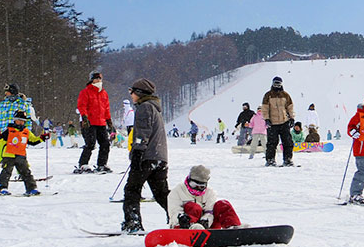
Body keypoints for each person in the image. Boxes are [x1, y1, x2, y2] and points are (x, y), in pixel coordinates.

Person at [121, 78, 170, 233]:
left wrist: (137, 152)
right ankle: (181, 217)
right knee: (161, 193)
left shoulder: (144, 108)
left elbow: (142, 133)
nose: (131, 95)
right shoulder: (155, 108)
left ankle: (133, 223)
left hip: (146, 157)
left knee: (132, 190)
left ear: (139, 93)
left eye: (132, 92)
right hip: (160, 158)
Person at [169, 165, 241, 229]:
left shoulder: (210, 193)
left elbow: (210, 211)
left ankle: (233, 227)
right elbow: (174, 211)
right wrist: (181, 218)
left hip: (207, 227)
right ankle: (192, 228)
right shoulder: (177, 191)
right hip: (184, 226)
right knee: (193, 206)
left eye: (201, 187)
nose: (197, 189)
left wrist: (206, 220)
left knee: (222, 204)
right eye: (194, 185)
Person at [0, 110, 49, 196]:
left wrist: (42, 138)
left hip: (21, 155)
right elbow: (0, 138)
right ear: (15, 120)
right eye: (19, 120)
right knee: (6, 172)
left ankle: (31, 188)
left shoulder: (26, 131)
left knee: (26, 172)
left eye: (23, 121)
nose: (21, 122)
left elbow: (33, 141)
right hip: (9, 154)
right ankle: (2, 188)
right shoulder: (9, 130)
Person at [0, 83, 32, 181]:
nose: (6, 94)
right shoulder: (2, 104)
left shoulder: (23, 104)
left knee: (20, 156)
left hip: (17, 136)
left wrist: (27, 133)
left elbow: (28, 119)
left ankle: (23, 173)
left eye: (8, 92)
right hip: (4, 135)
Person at [75, 71, 114, 173]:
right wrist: (84, 117)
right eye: (96, 78)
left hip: (101, 122)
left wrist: (109, 121)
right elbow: (81, 105)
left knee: (105, 144)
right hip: (90, 122)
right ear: (91, 80)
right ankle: (83, 164)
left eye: (100, 78)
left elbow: (106, 108)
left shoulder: (104, 93)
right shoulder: (86, 91)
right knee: (90, 144)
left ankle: (102, 164)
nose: (98, 80)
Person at [261, 76, 295, 166]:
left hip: (284, 122)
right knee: (272, 143)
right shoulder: (268, 95)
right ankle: (270, 160)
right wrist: (266, 119)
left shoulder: (285, 95)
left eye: (278, 84)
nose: (277, 86)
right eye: (275, 83)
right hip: (272, 123)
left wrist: (292, 118)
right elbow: (264, 108)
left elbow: (290, 107)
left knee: (287, 142)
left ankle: (288, 159)